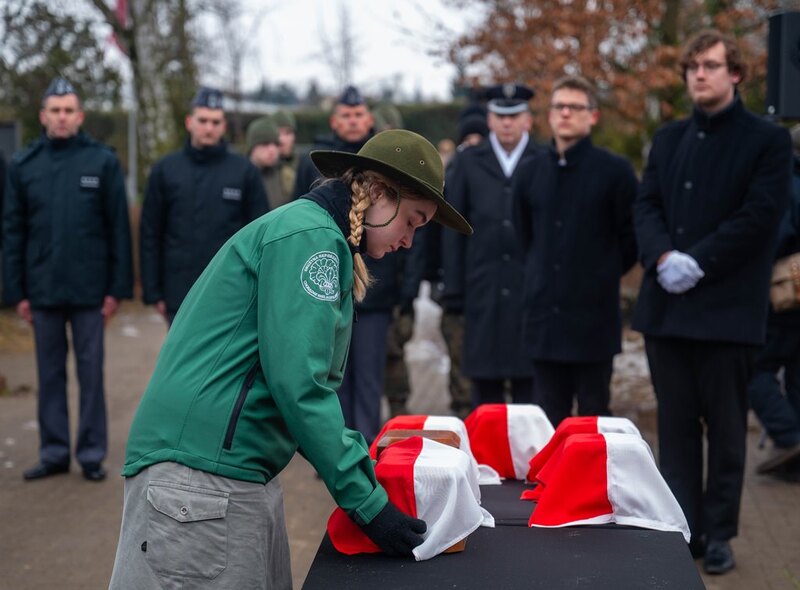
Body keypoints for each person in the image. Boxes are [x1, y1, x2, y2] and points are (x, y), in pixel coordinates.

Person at [107, 129, 473, 589]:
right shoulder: (311, 239)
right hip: (201, 476)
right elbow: (299, 385)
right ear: (380, 193)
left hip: (227, 468)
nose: (409, 241)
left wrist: (357, 470)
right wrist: (369, 504)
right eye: (413, 222)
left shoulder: (316, 234)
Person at [632, 30, 792, 574]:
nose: (699, 74)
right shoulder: (669, 137)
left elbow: (761, 214)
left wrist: (699, 261)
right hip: (668, 309)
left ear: (736, 73)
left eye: (711, 65)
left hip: (727, 310)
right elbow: (647, 204)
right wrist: (661, 257)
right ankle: (686, 527)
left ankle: (720, 532)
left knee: (725, 431)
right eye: (692, 66)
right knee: (675, 429)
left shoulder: (767, 140)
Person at [2, 77, 133, 482]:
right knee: (49, 375)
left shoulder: (102, 162)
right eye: (55, 111)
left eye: (68, 110)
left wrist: (116, 290)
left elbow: (117, 229)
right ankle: (54, 452)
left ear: (80, 116)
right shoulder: (24, 165)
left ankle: (91, 454)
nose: (61, 117)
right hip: (41, 289)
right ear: (43, 116)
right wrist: (17, 291)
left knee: (90, 375)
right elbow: (12, 231)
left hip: (91, 292)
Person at [513, 75, 638, 428]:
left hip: (593, 319)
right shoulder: (530, 172)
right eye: (559, 107)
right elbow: (524, 235)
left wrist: (600, 273)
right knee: (547, 422)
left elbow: (631, 239)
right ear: (549, 115)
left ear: (592, 116)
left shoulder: (615, 172)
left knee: (594, 421)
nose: (565, 114)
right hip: (544, 318)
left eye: (574, 107)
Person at [442, 83, 540, 407]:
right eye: (500, 116)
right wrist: (453, 289)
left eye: (514, 115)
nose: (507, 123)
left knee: (532, 392)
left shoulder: (543, 159)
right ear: (489, 119)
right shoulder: (469, 162)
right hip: (483, 289)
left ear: (528, 120)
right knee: (485, 394)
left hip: (531, 291)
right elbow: (453, 228)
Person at [140, 87, 268, 325]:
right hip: (178, 290)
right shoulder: (166, 170)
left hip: (230, 290)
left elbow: (259, 234)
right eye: (203, 120)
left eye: (215, 122)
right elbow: (151, 232)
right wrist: (153, 290)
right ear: (189, 122)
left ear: (224, 126)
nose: (209, 128)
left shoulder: (244, 172)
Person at [748, 123, 800, 478]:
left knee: (754, 370)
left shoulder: (785, 182)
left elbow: (776, 235)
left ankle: (788, 436)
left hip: (785, 293)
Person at [292, 85, 374, 198]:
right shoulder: (315, 159)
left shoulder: (381, 155)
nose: (353, 121)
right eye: (346, 115)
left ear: (370, 120)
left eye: (358, 115)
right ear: (333, 122)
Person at [246, 116, 290, 210]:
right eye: (265, 144)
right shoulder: (241, 176)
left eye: (276, 144)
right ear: (253, 147)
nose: (272, 150)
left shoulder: (286, 176)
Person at [272, 109, 298, 198]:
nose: (281, 140)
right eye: (277, 133)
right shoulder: (260, 170)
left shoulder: (303, 166)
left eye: (287, 133)